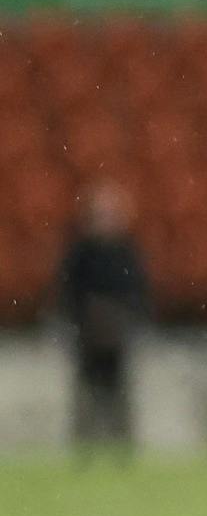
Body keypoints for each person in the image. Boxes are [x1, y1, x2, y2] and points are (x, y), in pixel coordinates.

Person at [56, 181, 149, 453]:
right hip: (87, 335)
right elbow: (67, 292)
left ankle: (121, 447)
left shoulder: (126, 251)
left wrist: (119, 317)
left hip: (117, 336)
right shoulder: (81, 252)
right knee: (86, 394)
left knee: (118, 395)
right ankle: (84, 447)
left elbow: (138, 291)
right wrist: (86, 318)